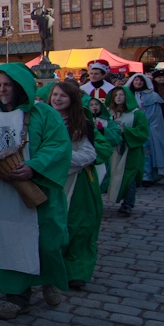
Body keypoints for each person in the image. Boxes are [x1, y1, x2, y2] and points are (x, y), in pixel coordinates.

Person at [0, 63, 72, 320]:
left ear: (20, 86)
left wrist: (34, 167)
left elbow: (58, 147)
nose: (2, 90)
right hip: (2, 193)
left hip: (38, 190)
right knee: (8, 243)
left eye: (8, 85)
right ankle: (16, 295)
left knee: (46, 241)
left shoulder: (44, 114)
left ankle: (49, 280)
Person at [49, 83, 111, 290]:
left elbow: (91, 153)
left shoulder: (81, 123)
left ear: (72, 99)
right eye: (55, 95)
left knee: (79, 226)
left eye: (63, 96)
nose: (57, 99)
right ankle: (54, 268)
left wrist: (60, 159)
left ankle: (76, 271)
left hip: (77, 181)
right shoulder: (43, 120)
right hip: (50, 181)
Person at [105, 86, 150, 216]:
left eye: (121, 95)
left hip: (130, 150)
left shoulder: (136, 113)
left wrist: (126, 131)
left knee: (129, 177)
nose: (118, 97)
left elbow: (143, 132)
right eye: (116, 95)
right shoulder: (108, 113)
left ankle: (128, 204)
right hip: (112, 150)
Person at [125, 74, 164, 183]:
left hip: (150, 128)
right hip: (132, 128)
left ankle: (148, 176)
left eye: (141, 80)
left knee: (148, 152)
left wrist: (147, 127)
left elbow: (157, 115)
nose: (138, 82)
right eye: (136, 80)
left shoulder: (153, 96)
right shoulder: (127, 95)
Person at [88, 97, 123, 193]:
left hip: (105, 155)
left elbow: (117, 136)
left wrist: (103, 130)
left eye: (97, 104)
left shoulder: (108, 122)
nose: (94, 106)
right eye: (91, 105)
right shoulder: (84, 120)